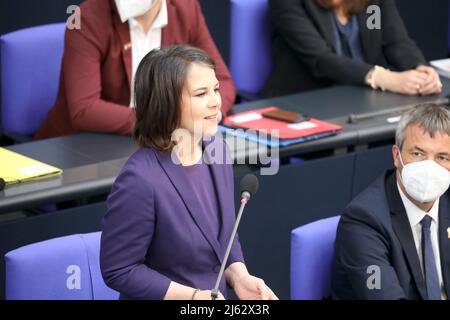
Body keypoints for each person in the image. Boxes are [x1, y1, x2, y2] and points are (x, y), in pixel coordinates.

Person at [100, 45, 278, 300]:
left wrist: (238, 275)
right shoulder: (139, 180)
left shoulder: (217, 150)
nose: (216, 101)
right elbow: (119, 270)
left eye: (215, 89)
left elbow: (224, 233)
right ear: (167, 103)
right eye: (201, 93)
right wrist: (194, 297)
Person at [35, 0, 236, 140]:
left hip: (163, 140)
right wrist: (167, 119)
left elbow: (223, 81)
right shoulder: (85, 18)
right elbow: (84, 109)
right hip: (91, 144)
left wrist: (210, 114)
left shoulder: (185, 8)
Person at [332, 103, 450, 300]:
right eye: (418, 153)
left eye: (442, 157)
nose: (429, 167)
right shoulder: (363, 220)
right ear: (397, 155)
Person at [263, 0, 442, 97]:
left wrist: (419, 69)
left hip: (365, 96)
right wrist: (382, 77)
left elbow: (395, 41)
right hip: (308, 98)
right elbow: (321, 60)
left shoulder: (372, 4)